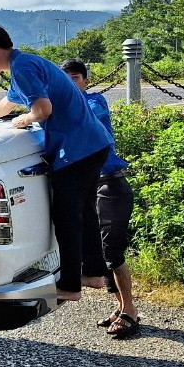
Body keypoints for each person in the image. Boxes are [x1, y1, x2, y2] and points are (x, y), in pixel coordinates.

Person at [0, 25, 113, 301]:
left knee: (66, 217)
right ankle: (93, 273)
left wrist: (24, 119)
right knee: (84, 212)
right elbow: (10, 102)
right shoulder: (25, 62)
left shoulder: (22, 68)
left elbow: (43, 110)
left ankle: (70, 286)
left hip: (77, 149)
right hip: (94, 144)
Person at [60, 59, 139, 338]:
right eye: (65, 79)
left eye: (76, 78)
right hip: (90, 188)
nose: (71, 83)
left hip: (111, 187)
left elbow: (85, 119)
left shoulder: (95, 102)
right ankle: (120, 308)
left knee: (112, 251)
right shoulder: (63, 108)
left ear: (86, 81)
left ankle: (130, 310)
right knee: (102, 252)